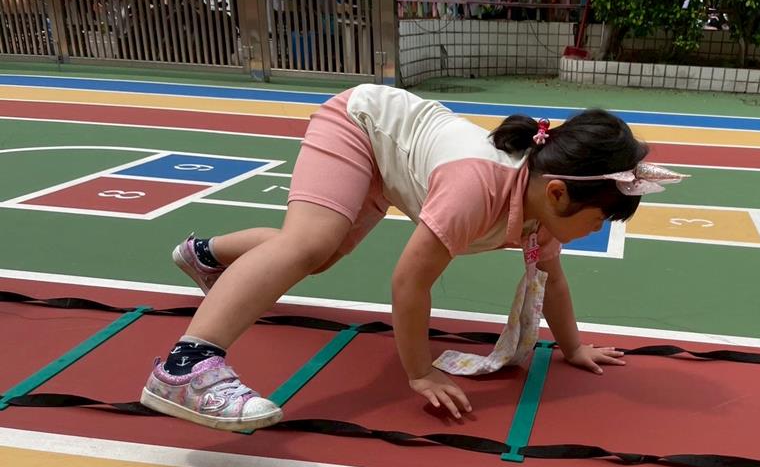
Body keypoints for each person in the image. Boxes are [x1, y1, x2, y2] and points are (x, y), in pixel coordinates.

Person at [140, 84, 682, 431]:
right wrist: (420, 373)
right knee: (309, 243)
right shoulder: (476, 190)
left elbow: (552, 280)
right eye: (600, 219)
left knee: (318, 254)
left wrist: (573, 346)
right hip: (361, 124)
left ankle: (208, 257)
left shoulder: (541, 207)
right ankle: (185, 366)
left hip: (395, 164)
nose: (597, 230)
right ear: (559, 193)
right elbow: (409, 282)